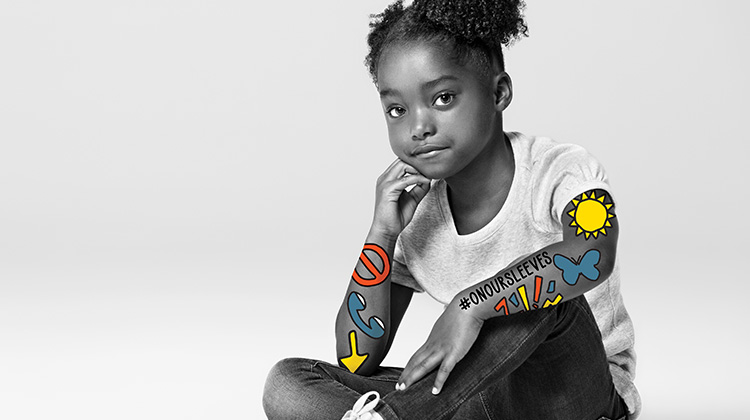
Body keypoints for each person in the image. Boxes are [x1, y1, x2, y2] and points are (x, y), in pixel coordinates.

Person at [263, 0, 640, 418]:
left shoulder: (562, 170)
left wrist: (470, 304)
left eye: (442, 98)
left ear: (499, 92)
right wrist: (382, 234)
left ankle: (393, 417)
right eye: (397, 109)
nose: (418, 127)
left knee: (543, 293)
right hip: (476, 395)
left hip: (571, 395)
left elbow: (591, 258)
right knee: (289, 382)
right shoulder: (419, 216)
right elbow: (357, 360)